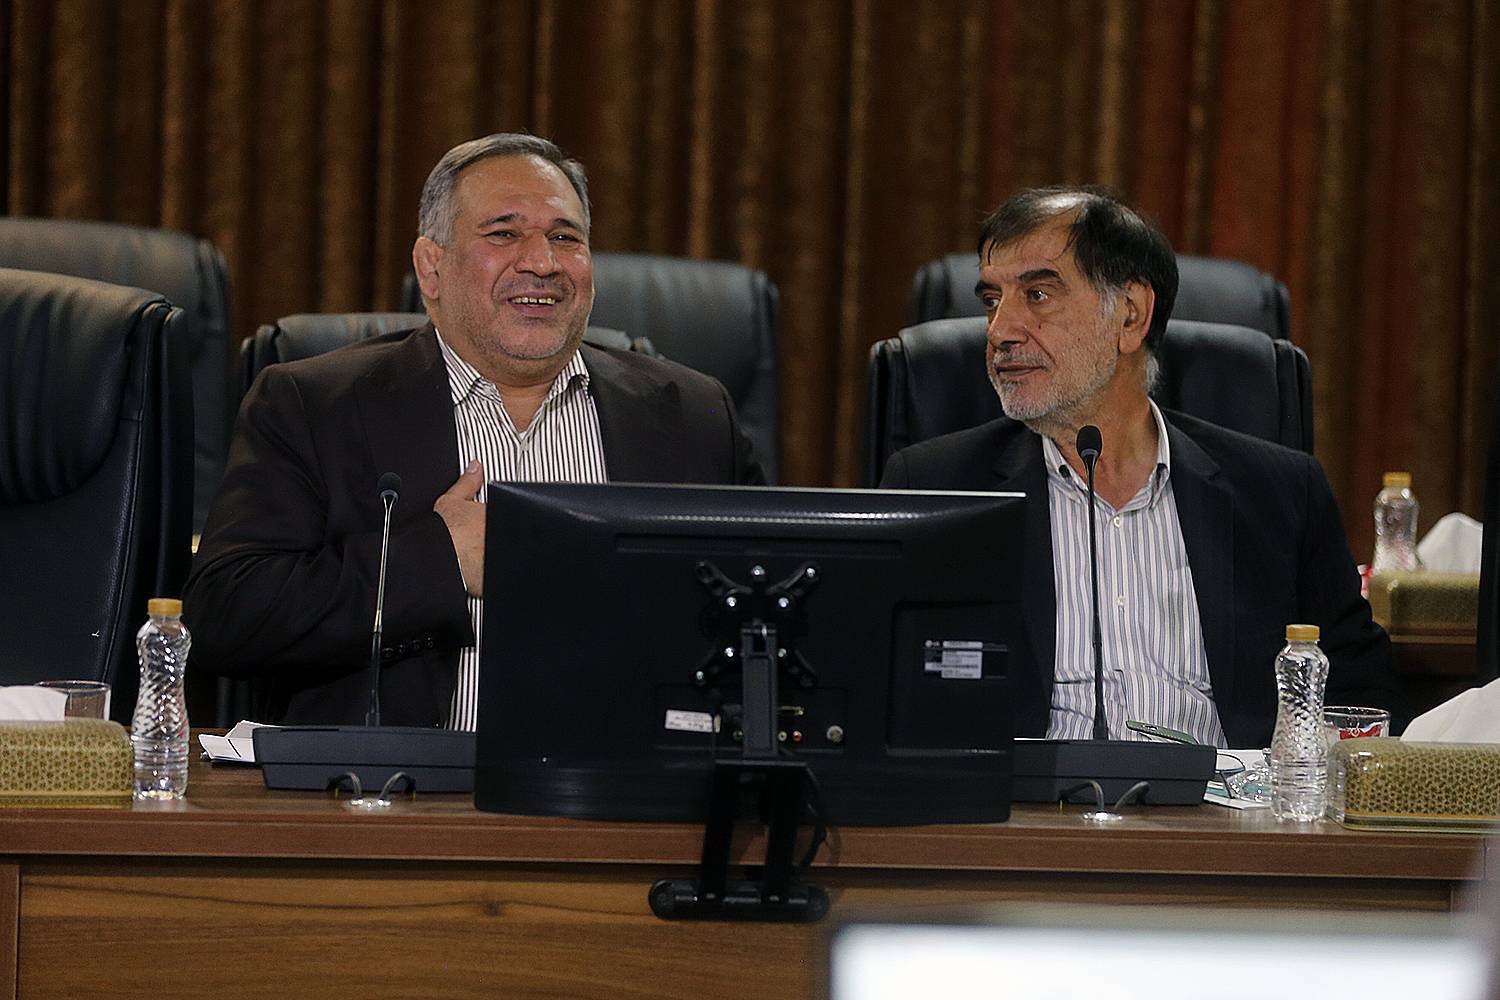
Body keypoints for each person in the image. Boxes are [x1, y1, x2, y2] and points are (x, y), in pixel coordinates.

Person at [184, 133, 764, 728]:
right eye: (504, 234)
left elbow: (769, 609)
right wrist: (442, 561)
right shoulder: (315, 407)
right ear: (431, 267)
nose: (542, 263)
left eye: (565, 237)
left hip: (625, 778)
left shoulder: (691, 416)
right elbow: (226, 617)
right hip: (402, 782)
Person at [880, 186, 1397, 749]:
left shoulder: (1281, 493)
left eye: (1038, 294)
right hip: (1030, 801)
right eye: (991, 300)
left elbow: (1360, 692)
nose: (1000, 330)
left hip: (1226, 800)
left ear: (1130, 315)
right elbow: (883, 694)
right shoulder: (935, 490)